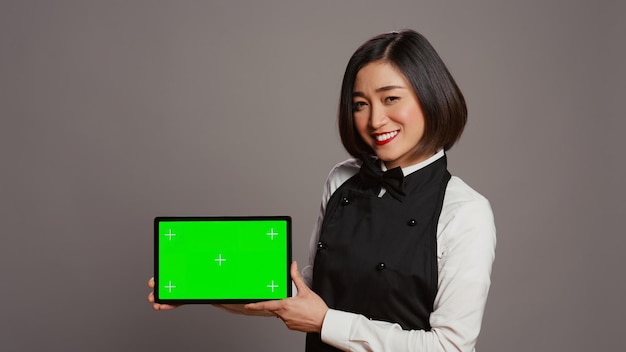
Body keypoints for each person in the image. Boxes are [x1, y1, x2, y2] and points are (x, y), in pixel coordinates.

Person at [148, 29, 496, 352]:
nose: (375, 120)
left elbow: (450, 347)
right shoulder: (340, 179)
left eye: (390, 98)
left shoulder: (465, 211)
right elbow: (305, 297)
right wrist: (203, 287)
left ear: (431, 97)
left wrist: (328, 322)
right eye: (360, 104)